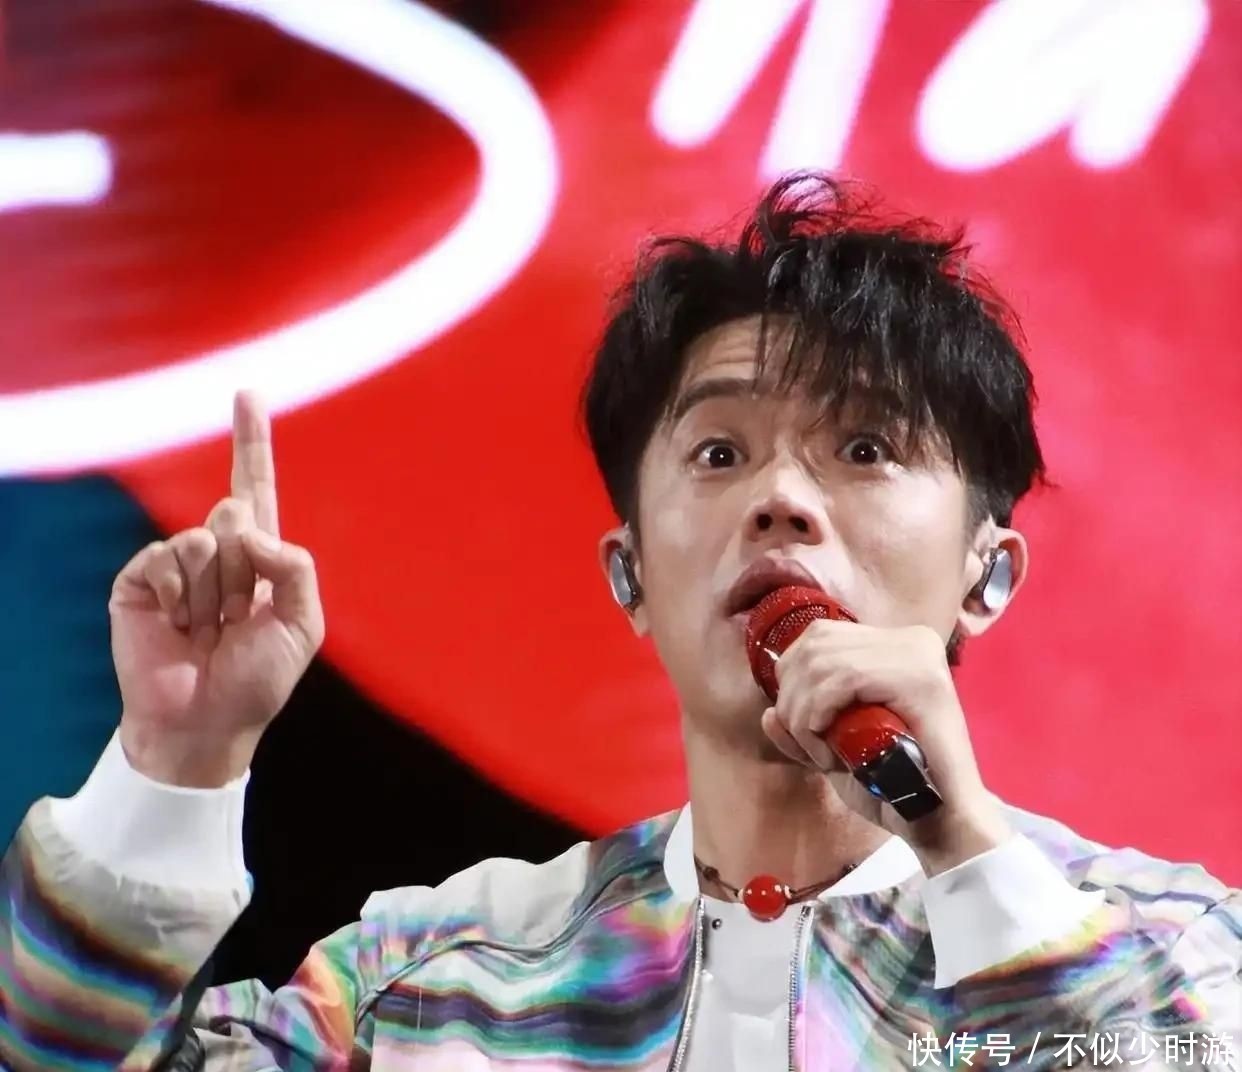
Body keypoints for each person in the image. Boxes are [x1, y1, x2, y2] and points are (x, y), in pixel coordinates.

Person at [1, 174, 1237, 1072]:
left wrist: (957, 840)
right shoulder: (440, 978)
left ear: (989, 574)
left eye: (865, 447)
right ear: (630, 575)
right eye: (719, 451)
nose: (782, 499)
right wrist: (175, 763)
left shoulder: (1180, 949)